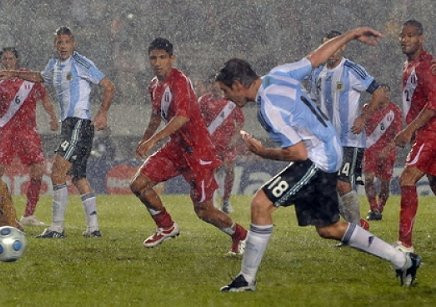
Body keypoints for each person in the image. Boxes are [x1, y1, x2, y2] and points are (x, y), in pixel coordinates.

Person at [215, 27, 421, 292]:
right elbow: (316, 57)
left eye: (225, 91)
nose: (225, 97)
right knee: (329, 228)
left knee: (260, 204)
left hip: (318, 157)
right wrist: (351, 34)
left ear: (238, 86)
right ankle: (403, 260)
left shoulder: (268, 108)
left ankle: (247, 279)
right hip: (328, 148)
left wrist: (260, 151)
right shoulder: (278, 74)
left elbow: (298, 153)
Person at [129, 38, 247, 255]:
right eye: (153, 58)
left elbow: (182, 117)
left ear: (172, 59)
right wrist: (145, 138)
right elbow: (156, 115)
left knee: (204, 211)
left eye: (162, 57)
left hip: (198, 152)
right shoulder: (154, 86)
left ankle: (241, 235)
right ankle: (166, 226)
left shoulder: (180, 82)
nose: (157, 62)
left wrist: (154, 140)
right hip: (176, 148)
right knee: (138, 184)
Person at [0, 26, 116, 238]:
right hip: (70, 125)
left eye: (67, 42)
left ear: (73, 44)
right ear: (55, 44)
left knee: (57, 172)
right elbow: (40, 77)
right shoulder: (54, 64)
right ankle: (94, 227)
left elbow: (109, 86)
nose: (63, 46)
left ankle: (57, 228)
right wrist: (14, 72)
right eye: (59, 42)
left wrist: (103, 113)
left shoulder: (81, 63)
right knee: (78, 176)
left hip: (79, 124)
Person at [0, 47, 59, 227]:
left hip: (28, 132)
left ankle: (29, 215)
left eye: (11, 58)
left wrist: (52, 117)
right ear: (0, 61)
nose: (8, 61)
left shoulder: (29, 78)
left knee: (38, 168)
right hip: (6, 132)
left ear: (16, 60)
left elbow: (45, 98)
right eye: (5, 59)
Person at [309, 30, 386, 229]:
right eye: (327, 47)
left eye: (335, 46)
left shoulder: (352, 70)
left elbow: (379, 92)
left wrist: (363, 117)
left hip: (349, 139)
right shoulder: (317, 73)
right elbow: (313, 105)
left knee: (342, 182)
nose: (331, 51)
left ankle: (355, 232)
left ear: (343, 46)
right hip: (326, 140)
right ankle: (357, 224)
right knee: (325, 185)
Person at [394, 20, 436, 252]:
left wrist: (409, 130)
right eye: (402, 35)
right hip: (423, 132)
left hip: (431, 132)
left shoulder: (426, 65)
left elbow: (434, 104)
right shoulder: (408, 65)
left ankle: (405, 245)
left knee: (407, 179)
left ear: (421, 38)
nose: (405, 39)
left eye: (410, 36)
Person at [198, 78, 245, 214]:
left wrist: (235, 138)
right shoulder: (204, 101)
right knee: (212, 172)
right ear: (210, 86)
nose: (216, 87)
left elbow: (240, 122)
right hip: (210, 146)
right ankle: (212, 199)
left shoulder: (231, 102)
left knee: (229, 170)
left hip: (228, 145)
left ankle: (226, 201)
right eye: (213, 84)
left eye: (219, 85)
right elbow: (197, 119)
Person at [363, 84, 402, 221]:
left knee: (384, 185)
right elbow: (362, 130)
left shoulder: (395, 111)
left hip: (387, 151)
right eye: (379, 92)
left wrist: (387, 149)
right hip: (370, 150)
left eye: (385, 92)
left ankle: (380, 208)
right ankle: (373, 208)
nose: (382, 95)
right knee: (368, 180)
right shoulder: (368, 108)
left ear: (388, 95)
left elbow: (397, 135)